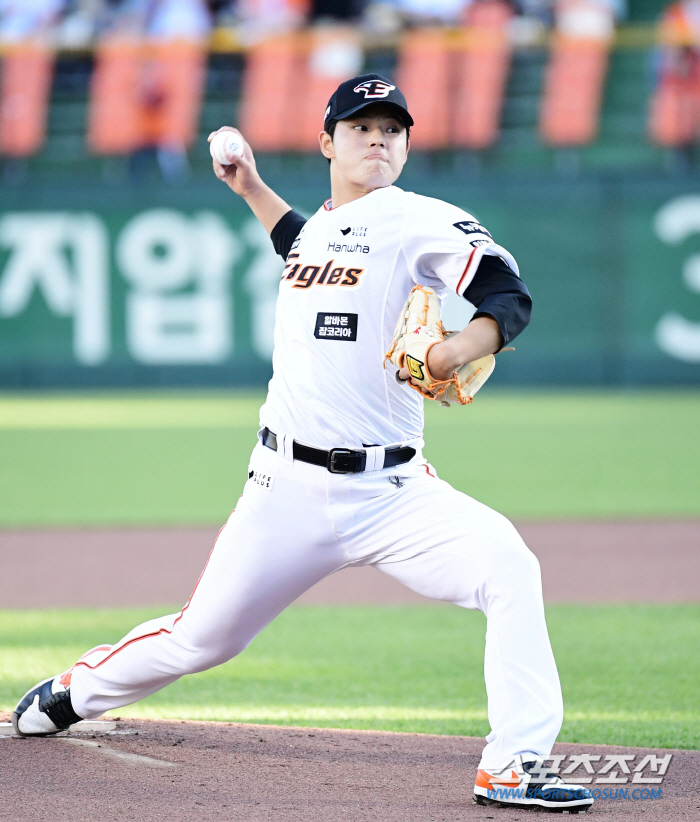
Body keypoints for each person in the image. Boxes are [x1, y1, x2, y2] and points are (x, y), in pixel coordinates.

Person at [13, 73, 593, 813]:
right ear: (327, 142)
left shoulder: (421, 221)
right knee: (202, 641)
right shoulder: (318, 228)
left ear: (408, 147)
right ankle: (74, 691)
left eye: (392, 130)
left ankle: (511, 766)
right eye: (360, 127)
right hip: (283, 491)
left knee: (509, 566)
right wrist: (251, 186)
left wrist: (459, 347)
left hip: (393, 493)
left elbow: (507, 294)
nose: (378, 139)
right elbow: (303, 245)